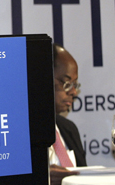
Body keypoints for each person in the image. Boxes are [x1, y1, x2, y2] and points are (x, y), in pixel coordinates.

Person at [49, 44, 86, 185]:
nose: (73, 92)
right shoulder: (20, 135)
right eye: (66, 83)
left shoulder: (69, 129)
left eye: (75, 84)